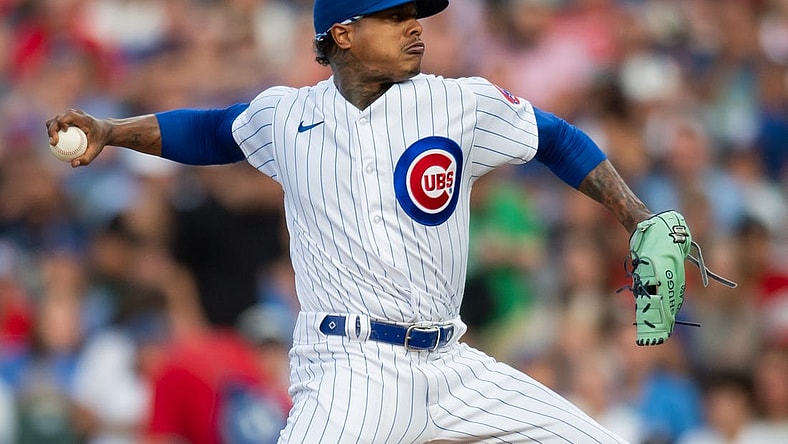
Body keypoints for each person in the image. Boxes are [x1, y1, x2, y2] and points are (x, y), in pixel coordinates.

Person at [47, 1, 665, 442]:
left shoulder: (458, 103)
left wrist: (637, 215)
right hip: (349, 368)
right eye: (394, 17)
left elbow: (554, 137)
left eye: (415, 15)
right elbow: (210, 131)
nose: (415, 27)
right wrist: (111, 130)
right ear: (342, 34)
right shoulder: (286, 117)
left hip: (452, 364)